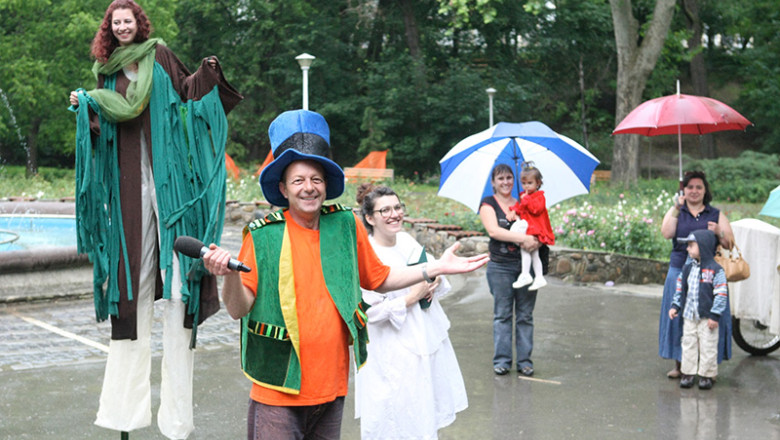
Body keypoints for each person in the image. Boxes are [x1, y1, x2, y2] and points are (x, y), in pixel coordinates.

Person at [202, 109, 488, 440]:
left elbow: (379, 278)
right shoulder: (262, 235)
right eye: (298, 180)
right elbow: (239, 308)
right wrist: (228, 275)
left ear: (326, 184)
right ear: (282, 188)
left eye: (316, 179)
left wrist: (435, 267)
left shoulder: (345, 224)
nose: (308, 188)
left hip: (332, 385)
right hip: (277, 386)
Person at [68, 1, 242, 438]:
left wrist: (209, 71)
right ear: (109, 29)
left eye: (128, 20)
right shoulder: (105, 73)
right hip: (129, 188)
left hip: (170, 185)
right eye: (116, 22)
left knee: (179, 286)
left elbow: (188, 91)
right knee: (132, 286)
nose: (123, 27)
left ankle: (177, 420)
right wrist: (84, 107)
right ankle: (124, 414)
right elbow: (101, 128)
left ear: (139, 24)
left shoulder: (159, 54)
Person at [353, 183, 468, 440]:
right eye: (385, 210)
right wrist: (411, 297)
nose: (394, 214)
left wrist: (434, 278)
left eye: (397, 207)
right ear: (370, 218)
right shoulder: (367, 254)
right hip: (390, 348)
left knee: (421, 410)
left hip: (421, 337)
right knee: (393, 412)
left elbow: (429, 271)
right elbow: (367, 312)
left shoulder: (406, 240)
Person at [659, 171, 734, 380]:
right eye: (690, 187)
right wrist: (676, 207)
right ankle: (681, 365)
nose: (694, 191)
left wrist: (719, 231)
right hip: (679, 271)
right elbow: (666, 233)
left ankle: (707, 368)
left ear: (705, 190)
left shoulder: (715, 214)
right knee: (681, 320)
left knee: (708, 322)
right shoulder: (678, 211)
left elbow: (729, 243)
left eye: (698, 187)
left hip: (708, 276)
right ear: (684, 190)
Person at [478, 164, 547, 378]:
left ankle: (525, 362)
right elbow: (494, 231)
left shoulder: (526, 201)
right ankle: (502, 361)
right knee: (502, 315)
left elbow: (540, 227)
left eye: (509, 178)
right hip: (500, 267)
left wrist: (536, 240)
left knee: (525, 316)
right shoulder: (488, 204)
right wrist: (523, 238)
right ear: (493, 182)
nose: (506, 182)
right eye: (501, 178)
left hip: (525, 266)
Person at [668, 229, 728, 390]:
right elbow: (680, 289)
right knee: (688, 344)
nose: (687, 249)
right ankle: (687, 373)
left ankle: (706, 375)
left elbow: (721, 293)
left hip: (707, 317)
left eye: (691, 245)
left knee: (708, 345)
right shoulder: (688, 268)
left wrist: (715, 315)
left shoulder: (716, 270)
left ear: (703, 246)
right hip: (689, 315)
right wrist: (676, 306)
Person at [508, 162, 554, 290]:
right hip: (530, 228)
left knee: (526, 249)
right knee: (533, 254)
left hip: (536, 228)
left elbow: (536, 210)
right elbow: (520, 207)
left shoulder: (539, 196)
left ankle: (526, 274)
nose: (526, 186)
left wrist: (526, 200)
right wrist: (513, 210)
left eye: (530, 183)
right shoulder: (525, 196)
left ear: (538, 183)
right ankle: (538, 277)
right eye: (524, 183)